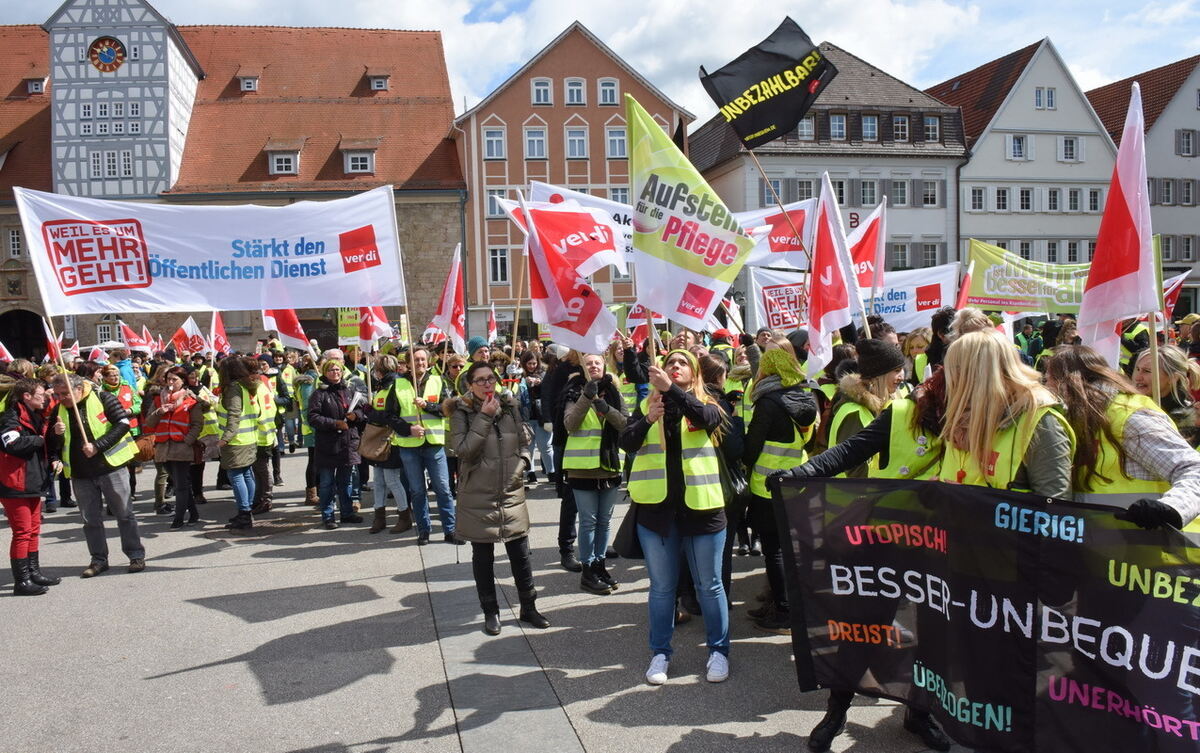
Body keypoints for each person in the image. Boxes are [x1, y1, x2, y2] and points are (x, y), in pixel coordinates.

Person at [619, 349, 729, 685]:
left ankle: (719, 652)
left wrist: (674, 390)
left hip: (703, 509)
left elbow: (711, 420)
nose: (675, 366)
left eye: (683, 363)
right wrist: (649, 417)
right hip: (657, 512)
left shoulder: (707, 402)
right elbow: (626, 442)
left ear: (694, 374)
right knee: (662, 589)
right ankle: (660, 654)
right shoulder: (646, 406)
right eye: (670, 363)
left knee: (709, 586)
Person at [1045, 346, 1200, 527]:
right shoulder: (1079, 419)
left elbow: (1193, 469)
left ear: (1067, 383)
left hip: (1150, 546)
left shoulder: (1129, 417)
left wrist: (1171, 508)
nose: (1045, 387)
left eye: (1047, 380)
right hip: (1105, 546)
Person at [448, 360, 549, 635]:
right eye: (479, 380)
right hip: (478, 494)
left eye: (490, 378)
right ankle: (491, 612)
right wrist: (484, 416)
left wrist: (525, 463)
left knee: (520, 555)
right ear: (470, 385)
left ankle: (529, 607)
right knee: (483, 556)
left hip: (511, 490)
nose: (486, 384)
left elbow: (525, 440)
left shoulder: (510, 406)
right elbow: (463, 450)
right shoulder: (461, 412)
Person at [742, 343, 816, 633]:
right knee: (791, 549)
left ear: (769, 368)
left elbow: (751, 448)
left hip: (767, 486)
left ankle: (784, 612)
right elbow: (809, 442)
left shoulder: (768, 401)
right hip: (798, 481)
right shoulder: (806, 396)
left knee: (774, 551)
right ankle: (789, 606)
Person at [48, 372, 145, 576]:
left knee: (124, 515)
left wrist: (98, 446)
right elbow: (53, 443)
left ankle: (135, 555)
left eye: (65, 393)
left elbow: (123, 424)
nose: (61, 398)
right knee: (90, 520)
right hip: (80, 473)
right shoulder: (58, 409)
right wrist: (55, 435)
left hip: (110, 467)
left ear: (78, 388)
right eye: (57, 394)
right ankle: (99, 560)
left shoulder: (103, 398)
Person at [560, 352, 626, 595]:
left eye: (597, 362)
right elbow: (570, 424)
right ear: (584, 369)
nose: (594, 366)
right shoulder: (573, 391)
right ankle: (588, 571)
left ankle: (599, 565)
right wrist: (587, 397)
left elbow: (624, 424)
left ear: (604, 366)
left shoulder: (614, 392)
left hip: (608, 466)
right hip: (582, 469)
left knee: (604, 521)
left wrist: (605, 407)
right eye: (589, 363)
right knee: (588, 522)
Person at [0, 379, 61, 595]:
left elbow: (45, 443)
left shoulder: (38, 416)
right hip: (14, 483)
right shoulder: (10, 416)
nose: (45, 396)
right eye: (41, 393)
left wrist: (54, 437)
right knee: (22, 532)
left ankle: (34, 572)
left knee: (34, 530)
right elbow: (11, 444)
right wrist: (39, 439)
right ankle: (22, 581)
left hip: (34, 480)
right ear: (27, 395)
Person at [395, 347, 457, 545]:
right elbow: (389, 417)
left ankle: (451, 530)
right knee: (417, 490)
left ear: (428, 361)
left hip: (434, 444)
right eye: (416, 360)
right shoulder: (397, 384)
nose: (420, 363)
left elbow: (450, 408)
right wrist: (408, 428)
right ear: (408, 363)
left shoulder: (439, 381)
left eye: (423, 359)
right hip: (409, 445)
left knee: (443, 488)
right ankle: (423, 530)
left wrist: (428, 406)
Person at [143, 366, 204, 529]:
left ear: (182, 381)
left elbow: (198, 424)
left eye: (174, 379)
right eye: (168, 379)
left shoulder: (191, 401)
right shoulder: (158, 399)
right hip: (163, 447)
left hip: (182, 447)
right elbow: (148, 422)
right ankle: (194, 513)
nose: (170, 382)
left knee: (181, 484)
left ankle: (178, 518)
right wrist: (159, 412)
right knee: (179, 482)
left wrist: (188, 440)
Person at [307, 359, 366, 529]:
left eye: (338, 369)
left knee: (346, 481)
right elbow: (313, 417)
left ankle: (347, 513)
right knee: (326, 483)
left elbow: (363, 410)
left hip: (348, 443)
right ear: (325, 372)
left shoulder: (350, 389)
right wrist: (334, 423)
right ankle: (328, 516)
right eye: (331, 370)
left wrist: (356, 415)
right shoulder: (319, 393)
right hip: (328, 445)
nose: (335, 372)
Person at [363, 354, 413, 534]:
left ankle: (404, 516)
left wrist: (371, 412)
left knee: (392, 480)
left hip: (390, 439)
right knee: (378, 480)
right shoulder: (382, 386)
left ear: (379, 370)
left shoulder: (393, 386)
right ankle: (379, 517)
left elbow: (389, 415)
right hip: (380, 439)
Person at [215, 356, 261, 531]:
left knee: (236, 476)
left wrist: (225, 438)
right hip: (249, 437)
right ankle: (246, 511)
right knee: (247, 474)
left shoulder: (234, 388)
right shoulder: (247, 386)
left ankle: (244, 513)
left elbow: (234, 415)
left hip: (236, 440)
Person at [1131, 345, 1200, 447]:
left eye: (1147, 371)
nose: (1137, 377)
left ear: (1173, 378)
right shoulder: (1131, 405)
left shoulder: (1189, 422)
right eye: (1137, 369)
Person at [516, 350, 553, 483]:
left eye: (534, 363)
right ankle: (530, 472)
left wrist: (540, 383)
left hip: (542, 415)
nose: (531, 366)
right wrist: (524, 382)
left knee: (545, 445)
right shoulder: (519, 375)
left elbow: (550, 391)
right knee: (529, 446)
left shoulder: (544, 374)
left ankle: (551, 471)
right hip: (526, 416)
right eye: (529, 363)